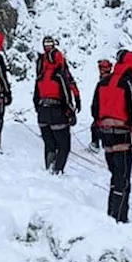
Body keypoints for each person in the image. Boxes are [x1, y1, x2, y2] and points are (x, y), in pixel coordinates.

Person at [94, 49, 132, 223]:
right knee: (123, 178)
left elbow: (94, 109)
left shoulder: (103, 82)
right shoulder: (129, 84)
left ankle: (112, 213)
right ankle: (119, 218)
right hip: (122, 135)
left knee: (115, 175)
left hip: (106, 134)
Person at [34, 36, 81, 174]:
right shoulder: (60, 74)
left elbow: (35, 96)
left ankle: (49, 168)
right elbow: (66, 94)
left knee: (49, 145)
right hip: (57, 112)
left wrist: (39, 109)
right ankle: (57, 171)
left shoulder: (40, 75)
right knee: (63, 145)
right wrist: (72, 110)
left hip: (43, 111)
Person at [89, 58, 112, 151]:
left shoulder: (102, 83)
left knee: (95, 127)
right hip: (112, 112)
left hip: (102, 112)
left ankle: (95, 144)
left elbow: (97, 100)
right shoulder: (114, 81)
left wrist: (95, 114)